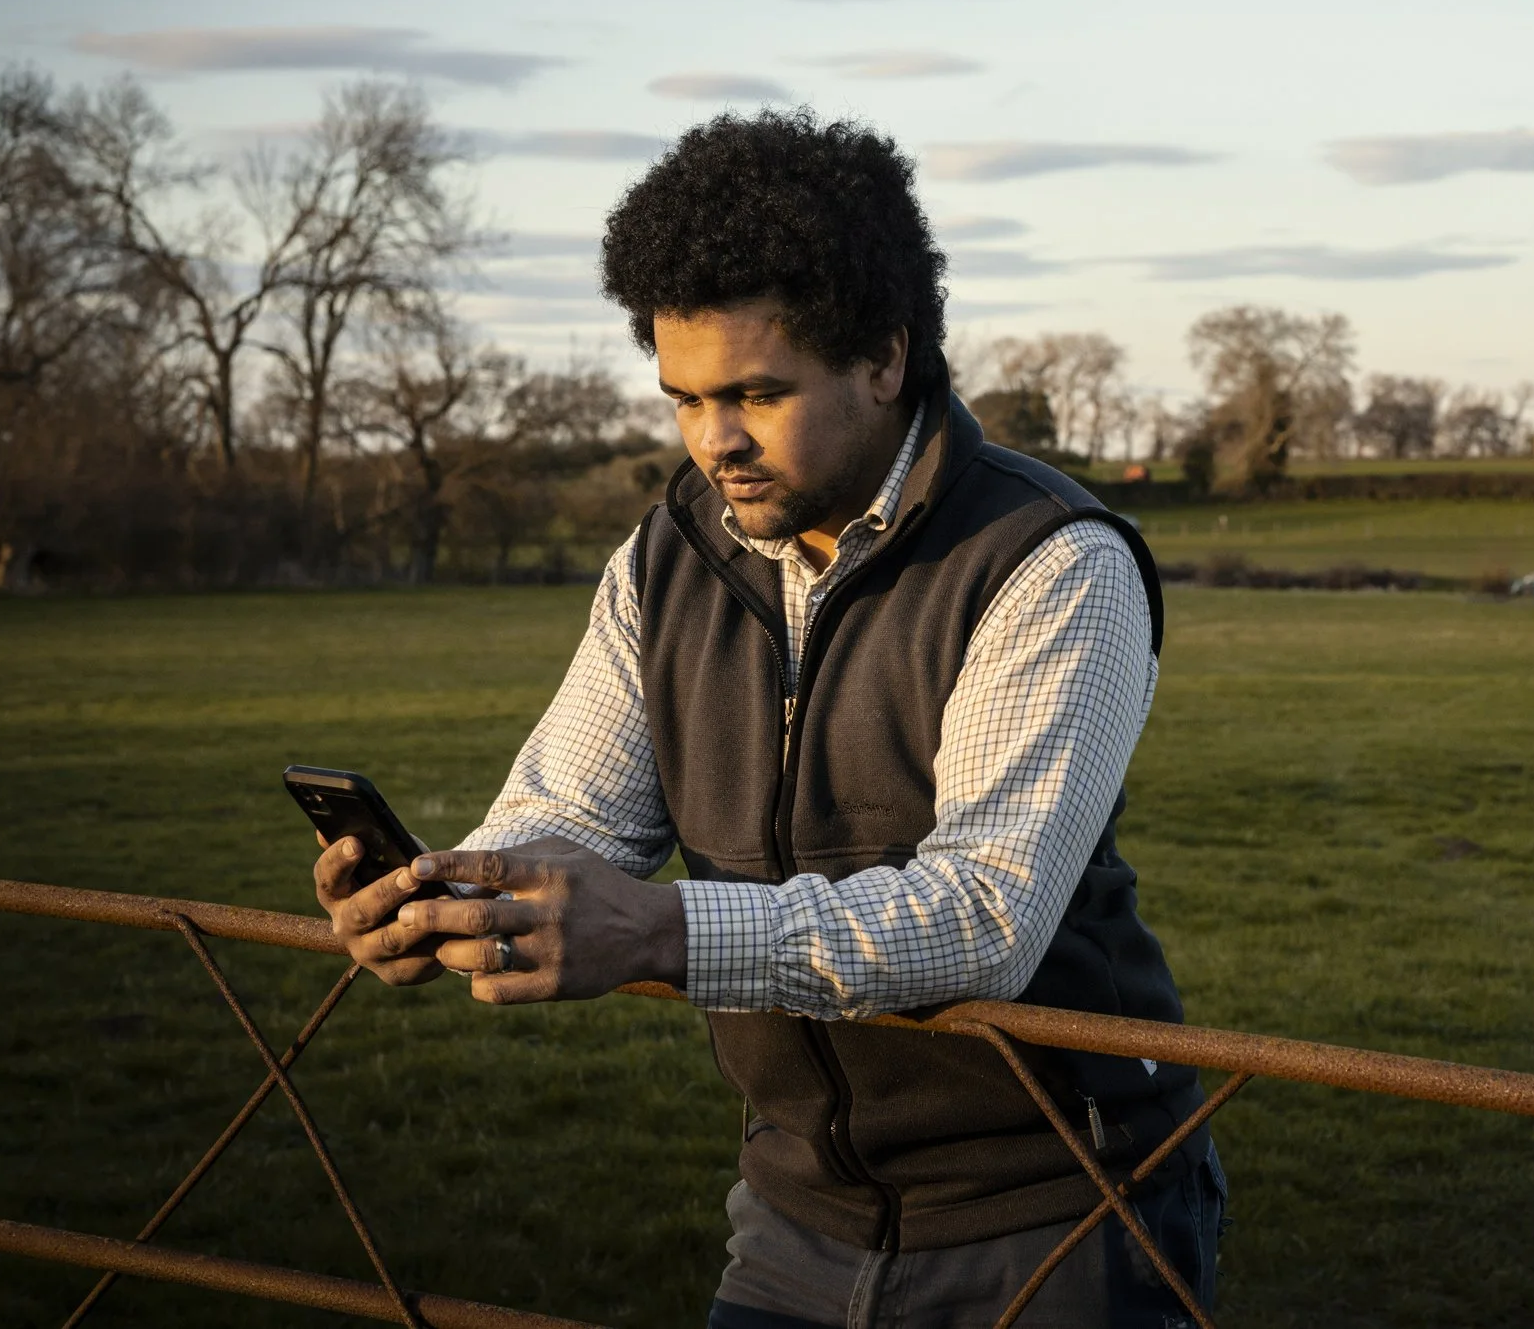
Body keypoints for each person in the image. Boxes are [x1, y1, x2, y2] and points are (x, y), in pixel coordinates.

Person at [310, 110, 1220, 1329]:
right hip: (797, 1207)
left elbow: (984, 914)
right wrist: (458, 892)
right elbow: (573, 812)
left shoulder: (1049, 562)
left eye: (755, 392)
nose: (713, 439)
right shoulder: (666, 553)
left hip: (1059, 1212)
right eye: (684, 397)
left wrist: (658, 930)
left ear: (886, 358)